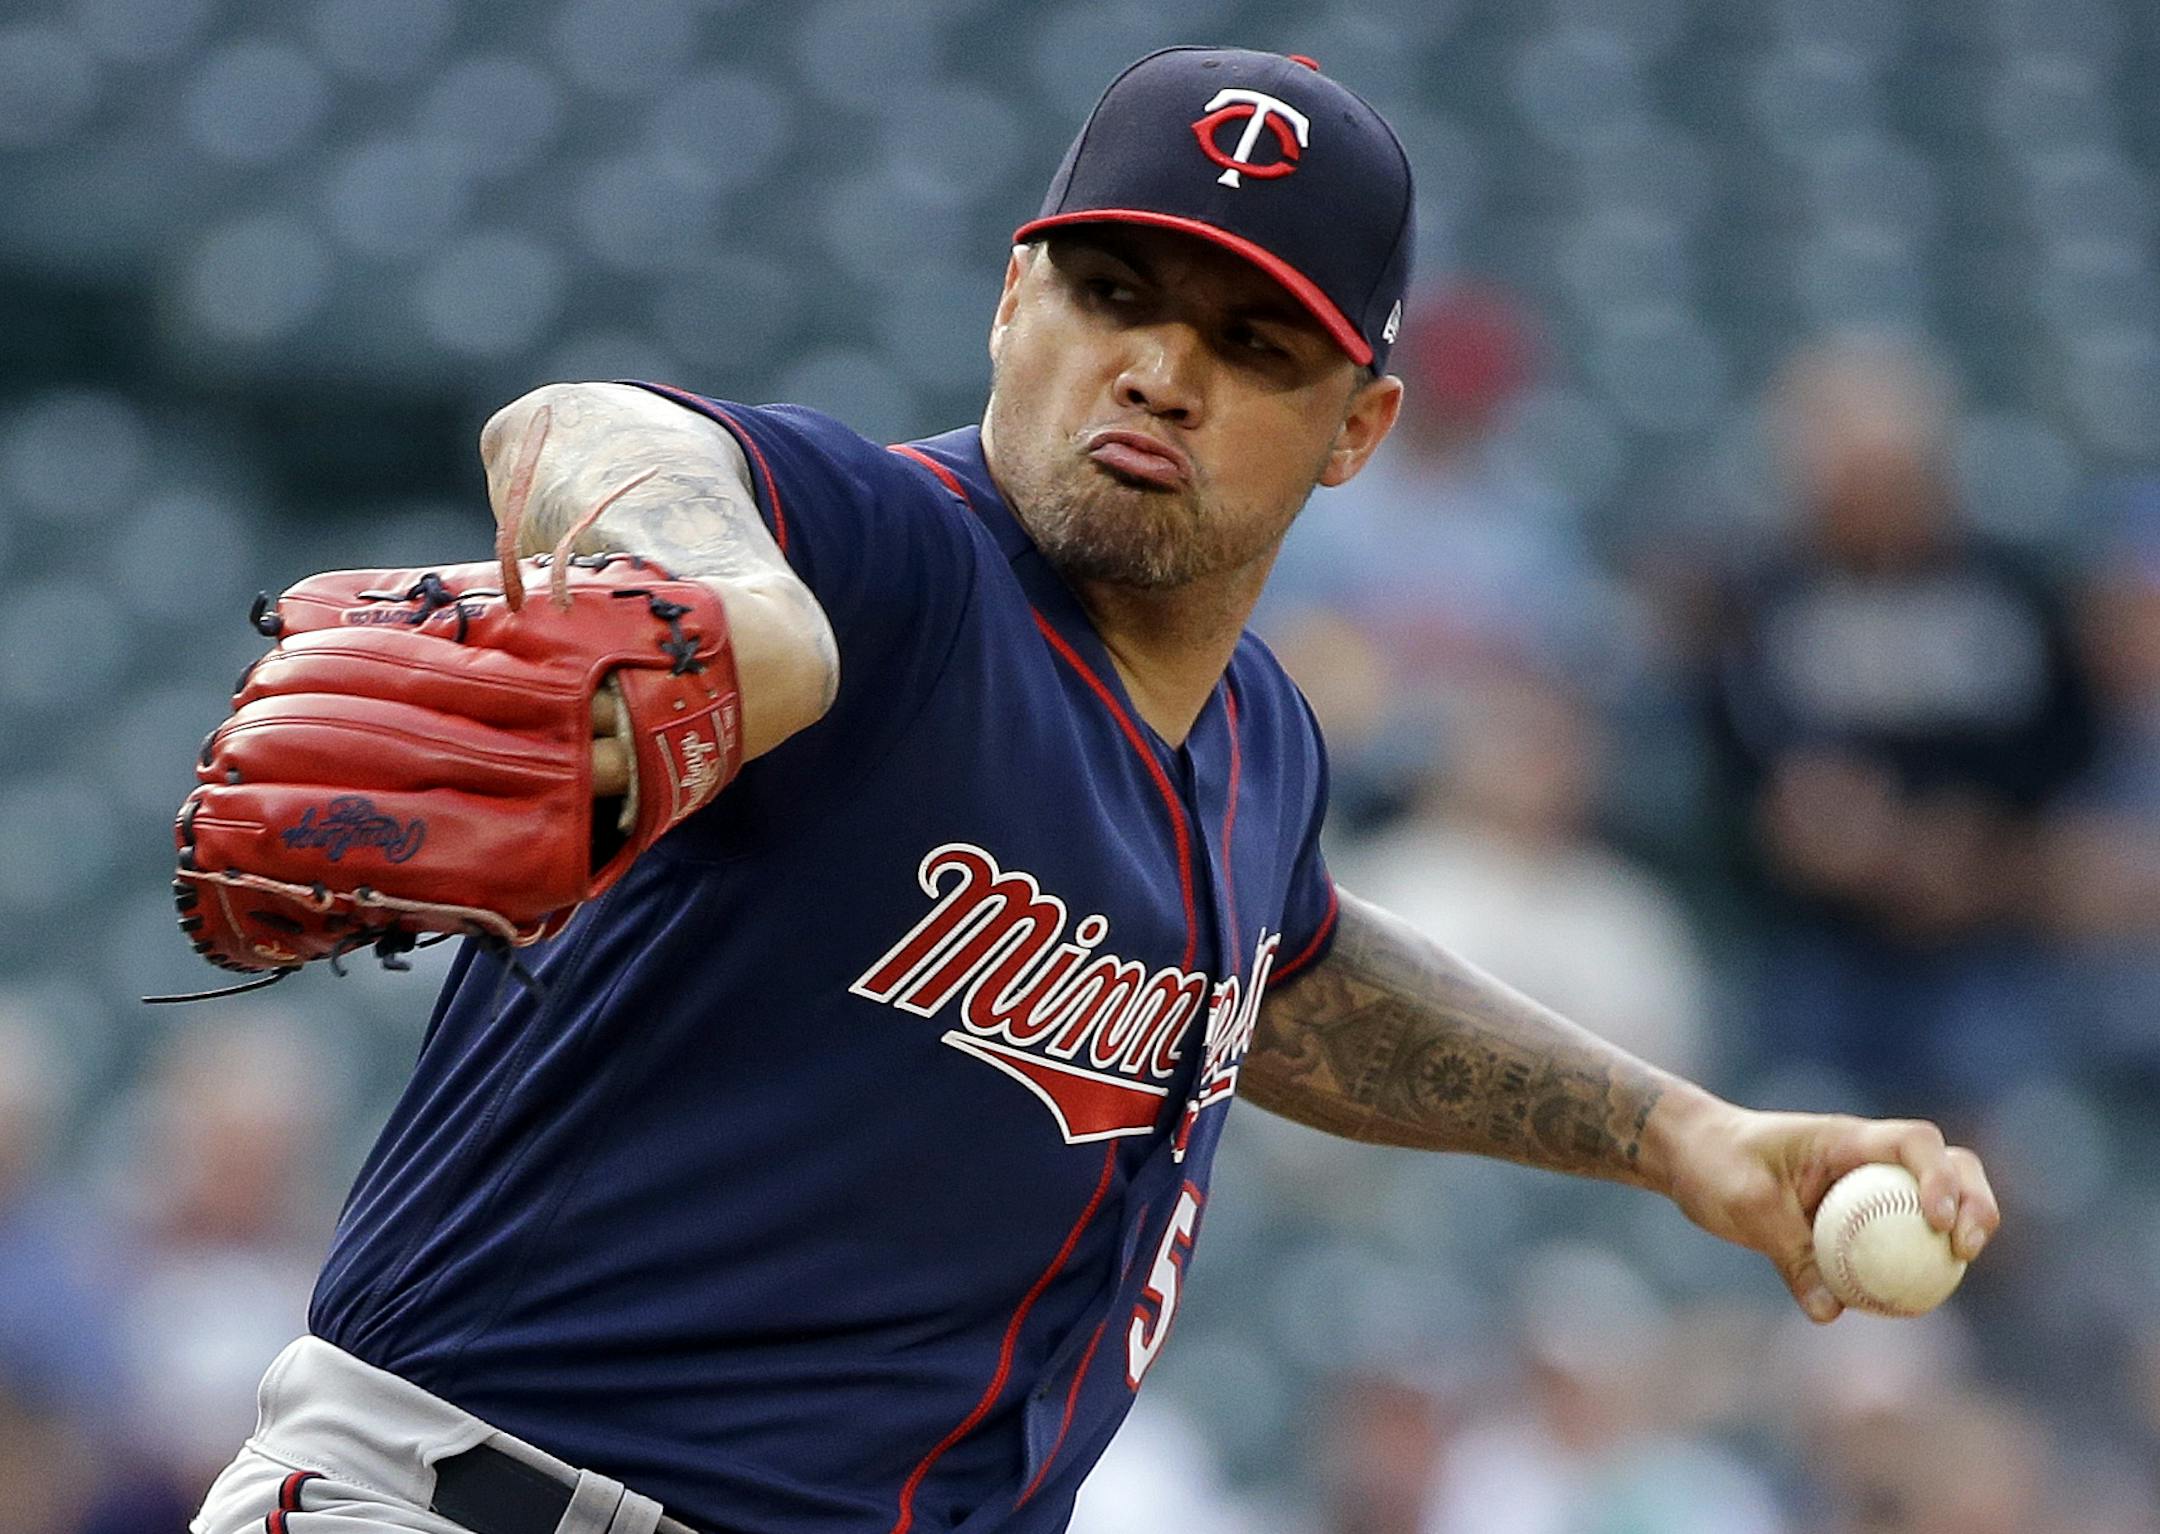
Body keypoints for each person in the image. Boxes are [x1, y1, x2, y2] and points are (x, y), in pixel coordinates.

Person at [190, 48, 1998, 1534]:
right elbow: (585, 423)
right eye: (1113, 292)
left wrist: (1693, 1139)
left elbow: (1283, 986)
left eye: (1251, 340)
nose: (1159, 367)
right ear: (1010, 302)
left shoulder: (1261, 745)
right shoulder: (886, 567)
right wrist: (719, 593)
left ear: (1359, 428)